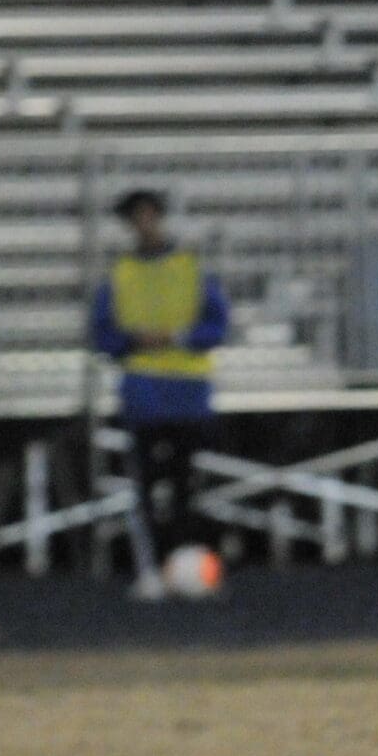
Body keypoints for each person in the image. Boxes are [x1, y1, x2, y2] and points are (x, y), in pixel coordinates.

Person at [88, 188, 230, 600]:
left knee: (187, 485)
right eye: (138, 217)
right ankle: (153, 568)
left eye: (150, 215)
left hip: (187, 391)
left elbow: (217, 325)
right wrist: (134, 342)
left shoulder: (189, 267)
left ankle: (187, 566)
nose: (145, 224)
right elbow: (102, 333)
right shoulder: (121, 274)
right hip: (144, 391)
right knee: (147, 487)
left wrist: (179, 337)